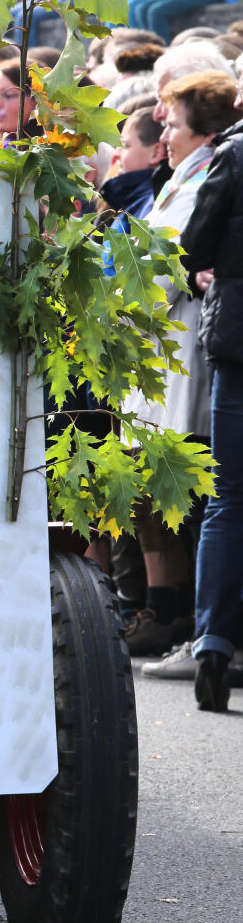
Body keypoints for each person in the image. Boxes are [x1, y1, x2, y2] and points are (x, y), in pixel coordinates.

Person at [123, 71, 240, 658]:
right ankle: (186, 622)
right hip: (161, 351)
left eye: (171, 122)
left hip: (185, 349)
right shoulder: (183, 177)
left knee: (193, 498)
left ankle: (202, 628)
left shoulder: (207, 177)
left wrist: (128, 279)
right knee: (173, 494)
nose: (163, 131)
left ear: (204, 129)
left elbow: (175, 261)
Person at [174, 53, 243, 709]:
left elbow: (191, 247)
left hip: (238, 345)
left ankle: (214, 645)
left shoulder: (234, 155)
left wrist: (208, 267)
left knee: (227, 500)